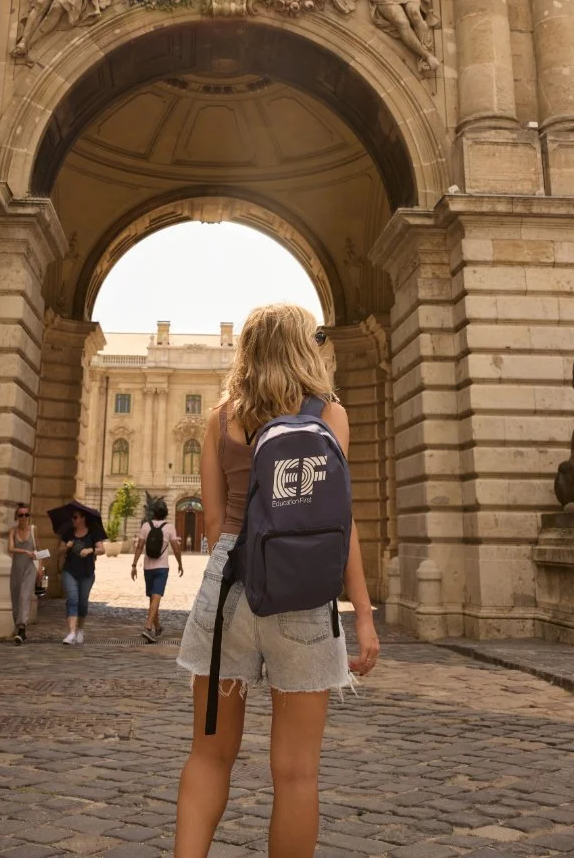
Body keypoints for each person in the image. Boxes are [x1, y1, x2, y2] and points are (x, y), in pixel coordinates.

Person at [174, 302, 379, 858]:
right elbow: (341, 521)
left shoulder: (221, 418)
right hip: (303, 593)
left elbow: (214, 525)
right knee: (296, 774)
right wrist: (361, 614)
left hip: (230, 586)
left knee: (209, 754)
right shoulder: (329, 415)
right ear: (303, 349)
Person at [132, 498, 184, 643]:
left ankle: (158, 627)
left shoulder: (145, 526)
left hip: (148, 567)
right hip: (162, 567)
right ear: (166, 513)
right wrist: (180, 563)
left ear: (153, 513)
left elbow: (139, 546)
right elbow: (176, 548)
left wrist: (134, 565)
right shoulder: (169, 527)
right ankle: (148, 628)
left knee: (152, 598)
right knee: (156, 597)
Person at [58, 507, 104, 645]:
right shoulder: (68, 533)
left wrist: (90, 550)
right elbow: (59, 550)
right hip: (70, 571)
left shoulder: (93, 532)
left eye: (76, 517)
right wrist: (67, 546)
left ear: (83, 518)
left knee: (82, 603)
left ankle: (80, 630)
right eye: (73, 517)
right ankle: (71, 633)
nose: (73, 520)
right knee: (72, 600)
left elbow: (102, 550)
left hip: (87, 573)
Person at [7, 503, 43, 645]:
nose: (23, 517)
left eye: (26, 515)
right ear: (16, 517)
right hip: (16, 569)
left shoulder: (34, 530)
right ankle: (19, 628)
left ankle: (22, 628)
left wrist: (40, 568)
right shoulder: (12, 531)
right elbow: (10, 548)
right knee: (15, 599)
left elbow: (40, 550)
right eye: (21, 515)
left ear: (29, 516)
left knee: (24, 596)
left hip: (30, 569)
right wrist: (25, 551)